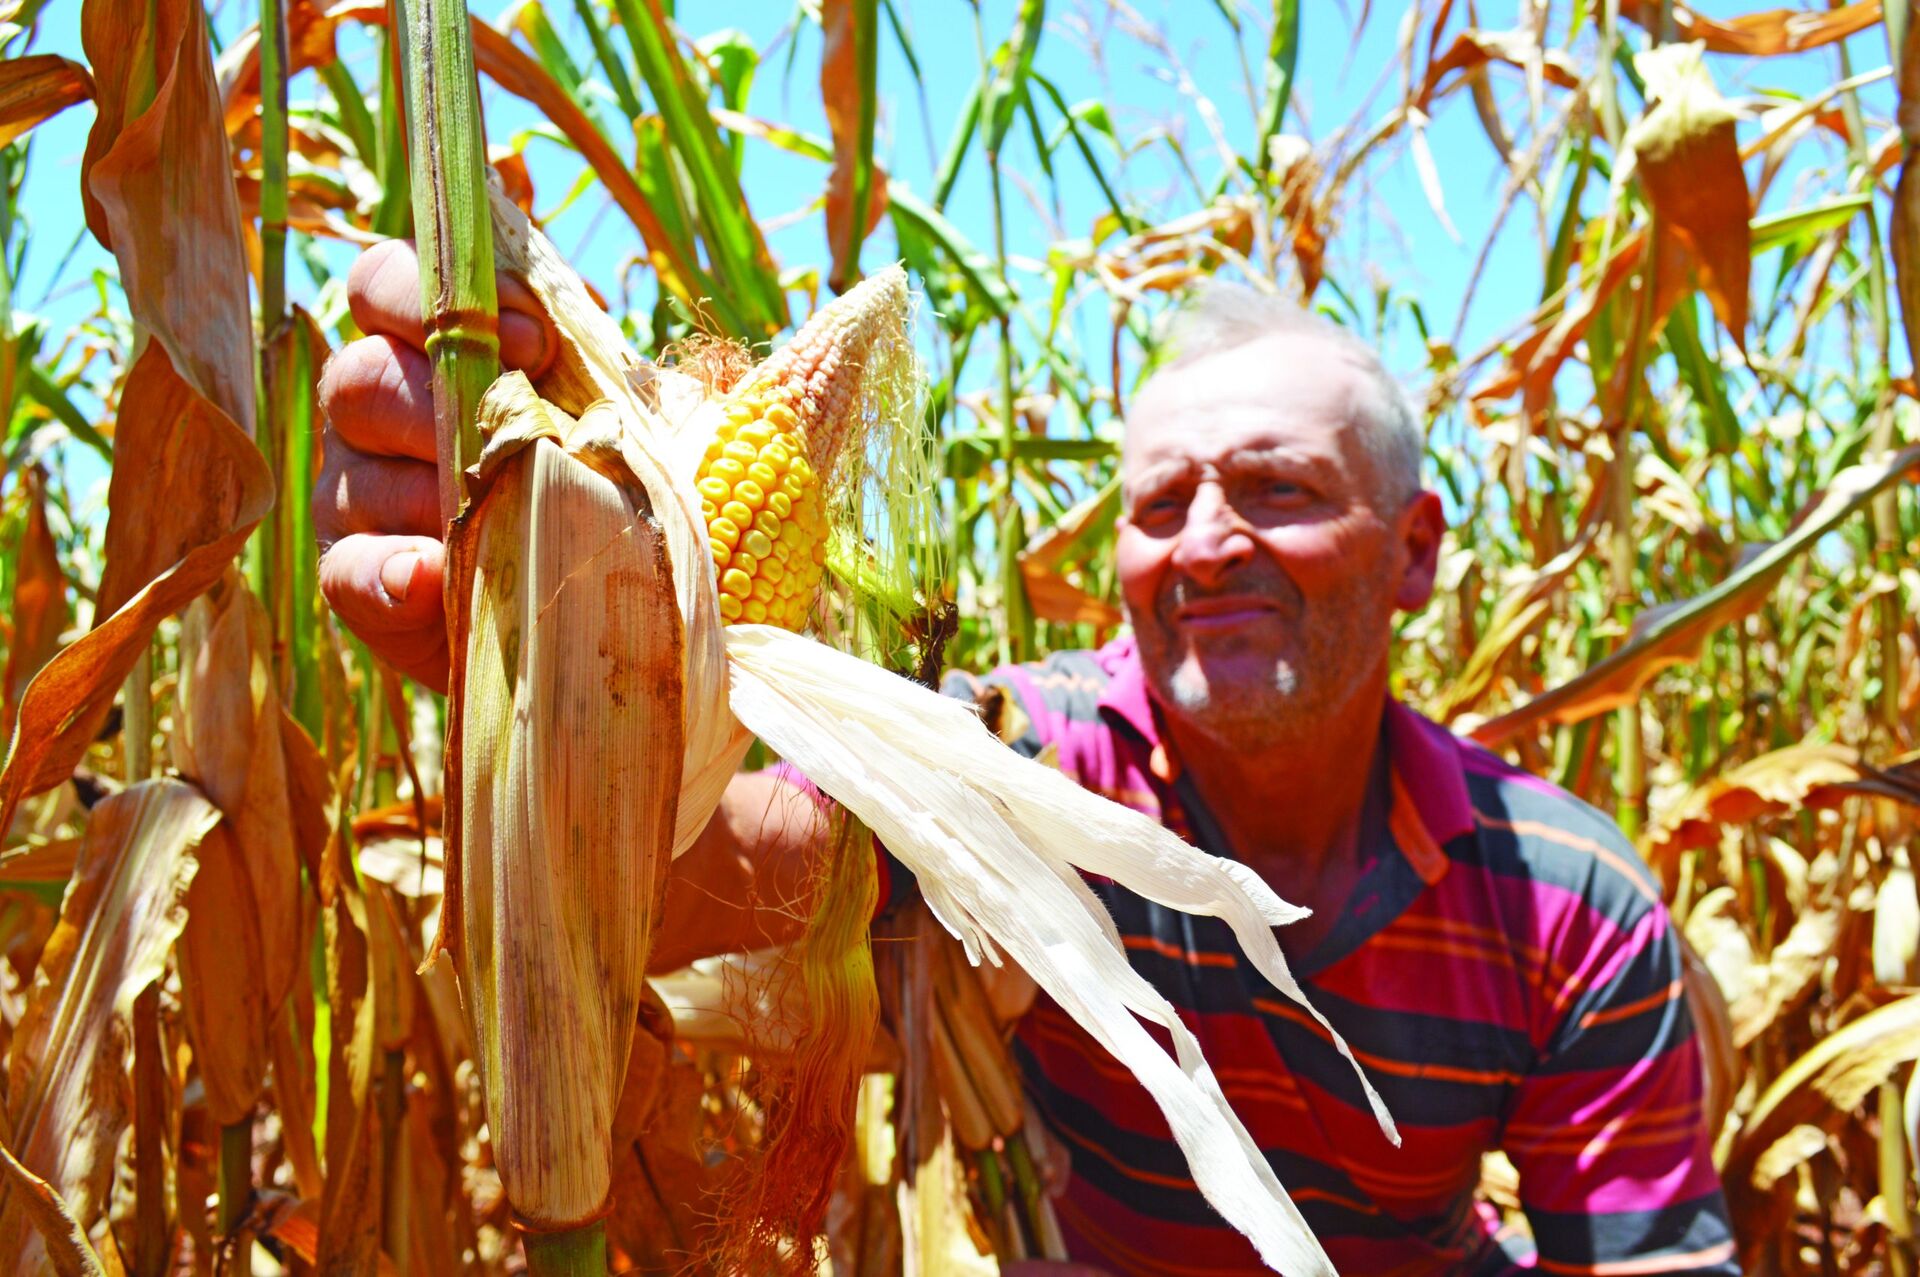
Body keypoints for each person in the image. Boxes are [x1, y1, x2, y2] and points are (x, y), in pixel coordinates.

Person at [316, 241, 1739, 1276]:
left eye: (1279, 490)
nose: (1208, 542)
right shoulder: (1024, 767)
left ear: (1416, 552)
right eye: (1162, 501)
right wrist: (575, 680)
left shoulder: (1565, 898)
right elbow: (734, 874)